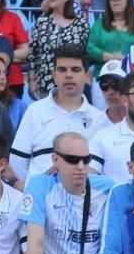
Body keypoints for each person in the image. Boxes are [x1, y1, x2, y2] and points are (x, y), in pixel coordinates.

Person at [18, 131, 112, 254]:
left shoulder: (106, 187)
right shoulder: (40, 185)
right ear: (55, 159)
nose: (80, 166)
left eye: (86, 159)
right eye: (72, 159)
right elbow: (35, 243)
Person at [8, 47, 107, 183]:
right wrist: (38, 187)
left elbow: (100, 169)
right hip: (40, 199)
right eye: (62, 70)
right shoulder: (35, 111)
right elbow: (17, 162)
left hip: (82, 200)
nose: (68, 75)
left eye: (75, 70)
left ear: (87, 76)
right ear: (54, 75)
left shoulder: (99, 119)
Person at [27, 0, 91, 99]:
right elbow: (33, 55)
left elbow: (86, 55)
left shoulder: (81, 24)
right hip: (46, 86)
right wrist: (31, 80)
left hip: (74, 86)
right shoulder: (42, 22)